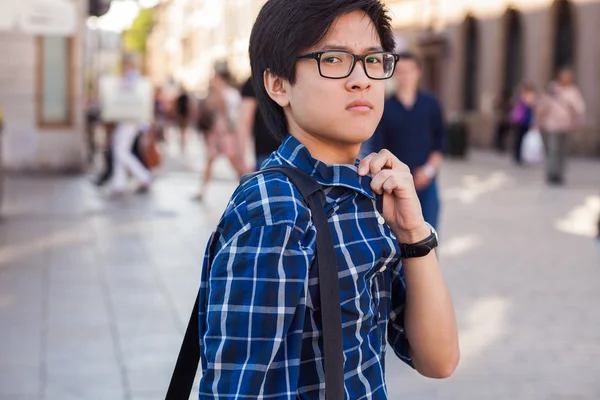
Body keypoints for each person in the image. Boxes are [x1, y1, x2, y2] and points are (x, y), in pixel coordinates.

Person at [197, 1, 459, 398]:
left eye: (373, 60)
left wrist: (413, 232)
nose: (361, 80)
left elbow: (438, 360)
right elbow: (233, 391)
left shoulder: (366, 194)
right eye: (333, 59)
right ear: (278, 85)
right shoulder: (275, 210)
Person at [370, 52, 445, 230]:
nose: (405, 76)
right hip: (395, 182)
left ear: (418, 72)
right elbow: (377, 147)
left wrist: (428, 171)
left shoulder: (430, 103)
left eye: (409, 71)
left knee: (429, 233)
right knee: (397, 234)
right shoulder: (385, 107)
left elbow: (440, 141)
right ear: (395, 74)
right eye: (401, 71)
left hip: (426, 180)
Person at [194, 70, 248, 200]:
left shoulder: (230, 94)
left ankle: (248, 188)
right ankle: (202, 191)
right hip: (217, 133)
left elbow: (231, 113)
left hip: (226, 133)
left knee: (234, 162)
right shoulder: (216, 94)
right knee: (210, 160)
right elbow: (208, 109)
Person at [110, 57, 153, 196]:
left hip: (131, 120)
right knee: (119, 150)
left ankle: (143, 176)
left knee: (120, 151)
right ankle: (119, 183)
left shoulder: (133, 78)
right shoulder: (129, 78)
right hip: (125, 120)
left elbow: (133, 97)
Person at [535, 67, 585, 185]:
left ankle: (560, 174)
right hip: (551, 126)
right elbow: (542, 107)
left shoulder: (573, 91)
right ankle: (551, 174)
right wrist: (538, 121)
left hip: (567, 126)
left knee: (562, 151)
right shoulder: (552, 89)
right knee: (552, 150)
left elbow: (580, 108)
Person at [239, 76, 281, 170]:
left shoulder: (254, 81)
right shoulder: (255, 82)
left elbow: (245, 120)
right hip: (266, 153)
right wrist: (244, 158)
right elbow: (245, 121)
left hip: (271, 152)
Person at [509, 82, 536, 165]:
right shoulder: (521, 96)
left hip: (525, 121)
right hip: (521, 120)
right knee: (518, 139)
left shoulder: (528, 96)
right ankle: (517, 156)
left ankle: (520, 155)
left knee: (522, 139)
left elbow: (531, 105)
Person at [174, 88, 190, 154]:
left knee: (183, 129)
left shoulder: (183, 97)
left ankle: (182, 141)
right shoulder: (181, 98)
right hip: (182, 114)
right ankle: (182, 141)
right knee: (182, 129)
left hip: (183, 114)